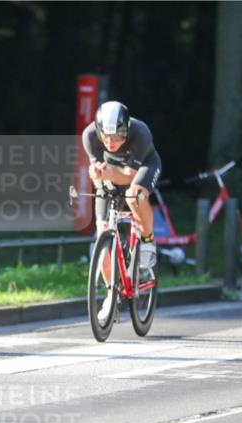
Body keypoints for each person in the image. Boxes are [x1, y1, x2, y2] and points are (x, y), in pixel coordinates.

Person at [81, 101, 162, 321]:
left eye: (117, 136)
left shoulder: (140, 132)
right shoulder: (89, 136)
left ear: (126, 128)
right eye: (105, 137)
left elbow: (128, 176)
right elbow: (99, 173)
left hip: (143, 168)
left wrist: (106, 173)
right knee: (102, 232)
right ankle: (111, 294)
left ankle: (146, 240)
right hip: (112, 175)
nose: (110, 142)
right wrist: (96, 174)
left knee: (133, 195)